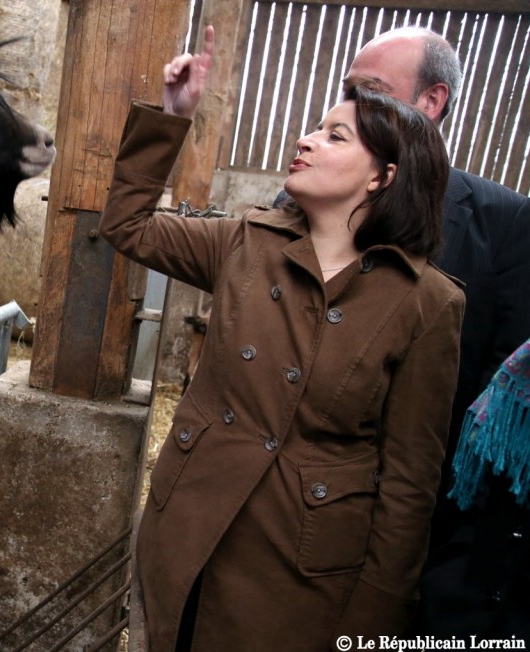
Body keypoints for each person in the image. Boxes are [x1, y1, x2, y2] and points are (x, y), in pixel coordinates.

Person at [102, 26, 465, 651]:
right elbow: (127, 225)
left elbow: (409, 487)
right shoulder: (245, 241)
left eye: (334, 135)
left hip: (299, 575)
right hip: (186, 528)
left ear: (382, 176)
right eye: (315, 127)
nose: (305, 139)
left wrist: (371, 628)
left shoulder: (428, 303)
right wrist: (171, 119)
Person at [337, 27, 530, 637]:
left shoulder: (505, 224)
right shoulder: (318, 199)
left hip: (429, 527)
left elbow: (499, 405)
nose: (350, 104)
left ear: (432, 101)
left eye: (369, 90)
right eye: (348, 90)